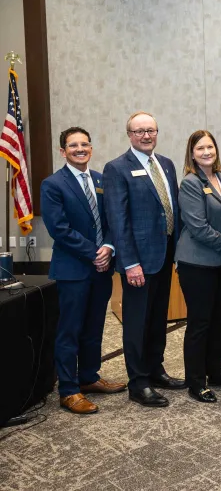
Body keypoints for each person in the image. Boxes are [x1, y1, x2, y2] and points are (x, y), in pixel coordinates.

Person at [42, 127, 126, 414]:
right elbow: (59, 229)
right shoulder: (53, 184)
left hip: (102, 268)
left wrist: (109, 248)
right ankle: (68, 390)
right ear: (63, 151)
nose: (80, 149)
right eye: (73, 145)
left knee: (94, 327)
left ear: (91, 148)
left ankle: (89, 377)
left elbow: (113, 219)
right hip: (73, 270)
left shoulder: (101, 179)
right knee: (70, 330)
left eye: (85, 144)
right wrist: (94, 253)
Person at [104, 111, 185, 408]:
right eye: (139, 131)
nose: (146, 136)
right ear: (129, 135)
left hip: (165, 254)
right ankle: (138, 383)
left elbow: (172, 208)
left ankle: (155, 369)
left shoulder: (166, 164)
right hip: (138, 260)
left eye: (151, 130)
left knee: (157, 318)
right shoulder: (117, 168)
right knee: (137, 322)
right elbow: (118, 220)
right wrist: (130, 263)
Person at [175, 130, 221, 404]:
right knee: (200, 322)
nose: (206, 152)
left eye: (210, 147)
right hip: (197, 262)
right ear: (192, 154)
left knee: (219, 319)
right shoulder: (190, 183)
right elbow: (198, 228)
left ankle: (216, 372)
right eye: (200, 148)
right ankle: (196, 381)